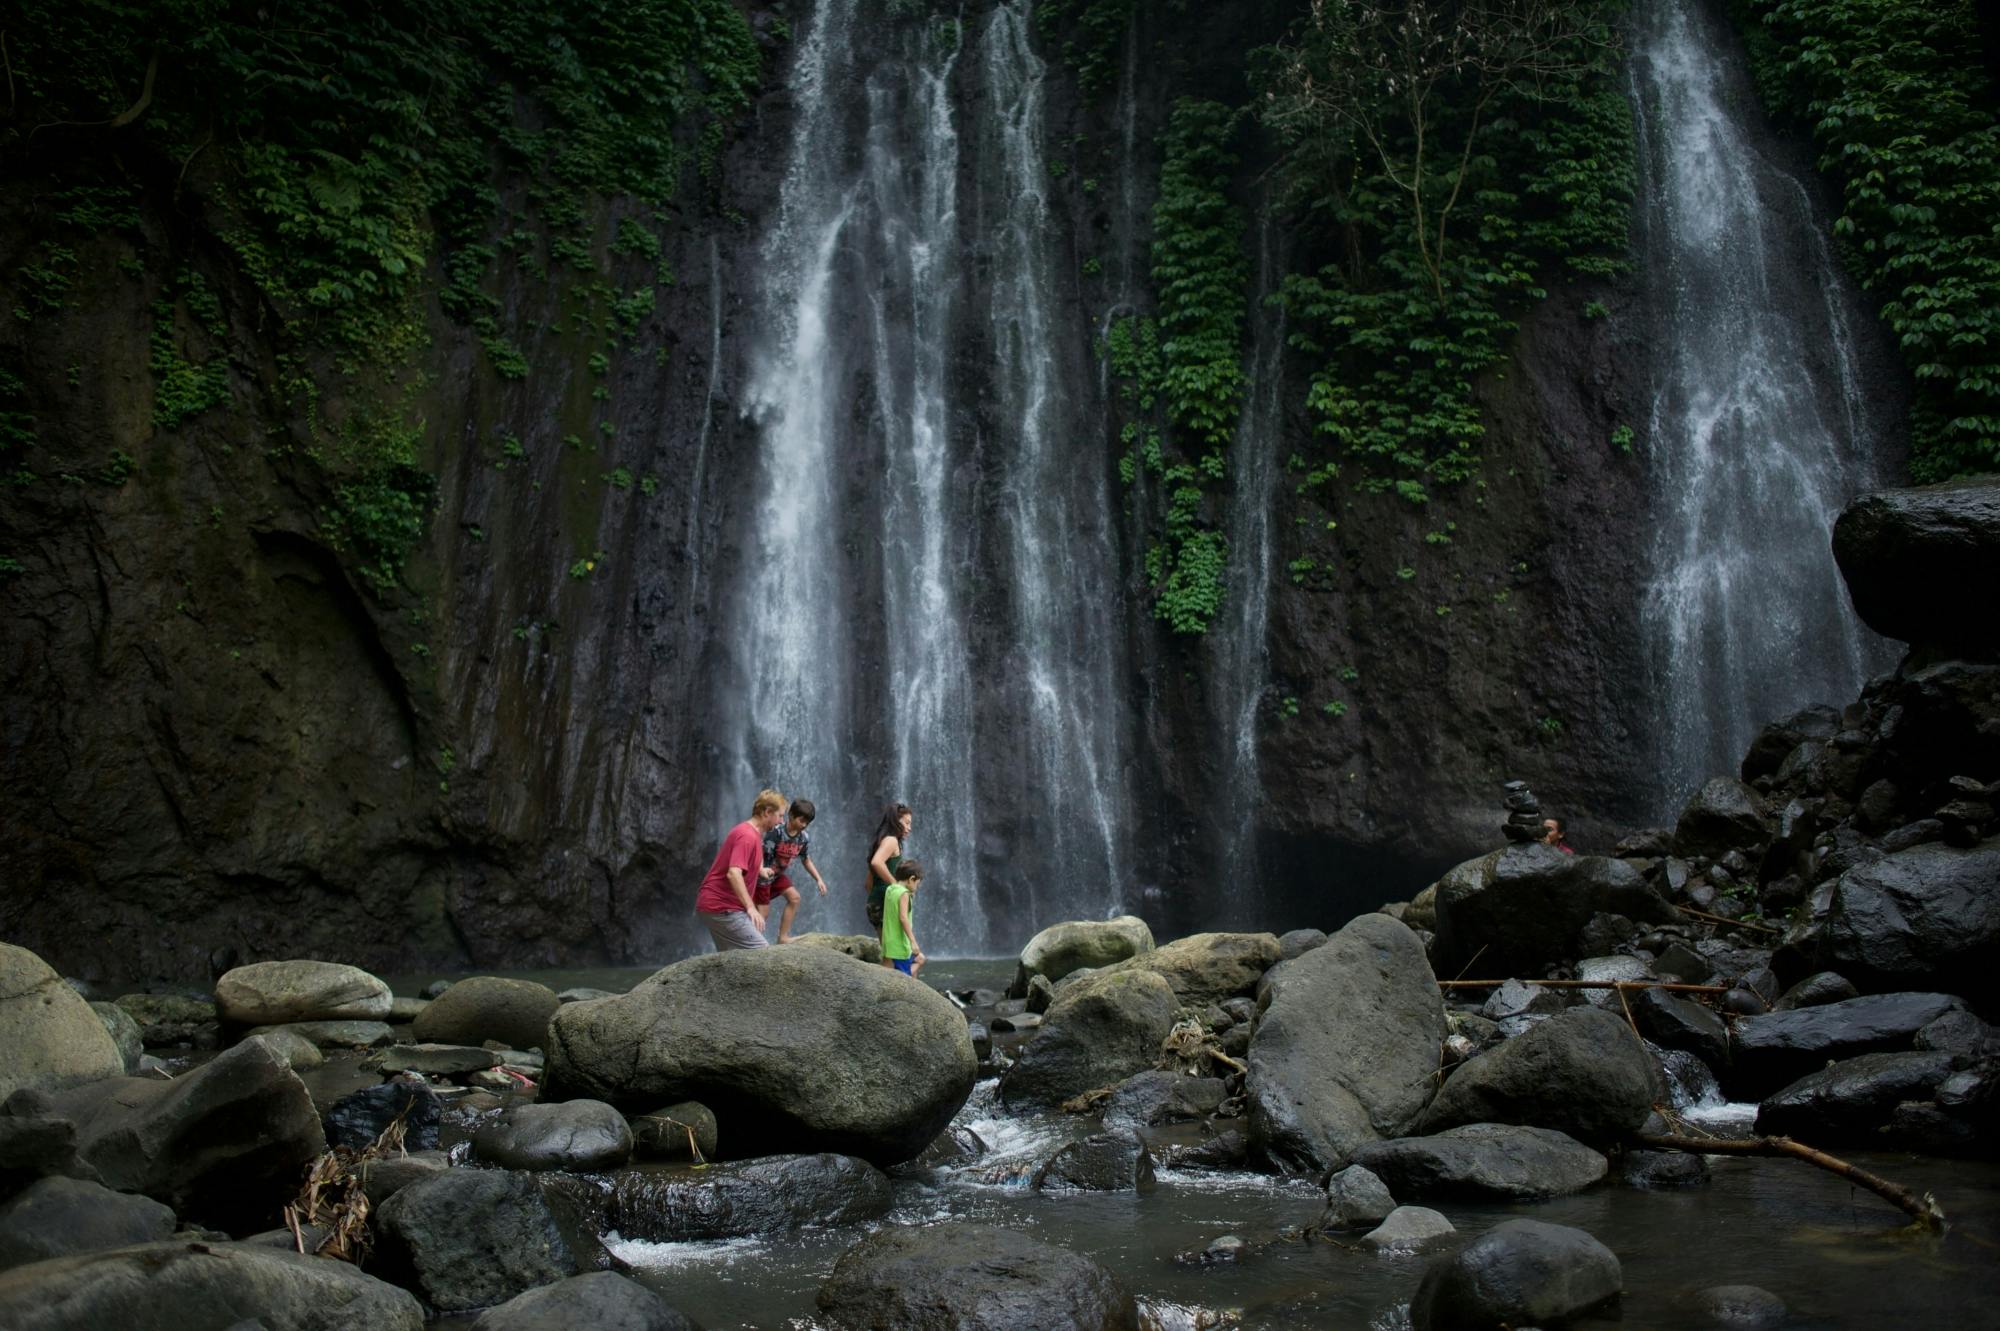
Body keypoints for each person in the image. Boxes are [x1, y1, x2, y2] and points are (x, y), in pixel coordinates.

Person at [696, 789, 788, 951]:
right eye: (780, 816)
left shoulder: (752, 833)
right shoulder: (747, 836)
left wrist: (760, 870)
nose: (782, 821)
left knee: (732, 960)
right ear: (767, 812)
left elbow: (748, 857)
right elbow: (733, 873)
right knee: (763, 955)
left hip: (715, 905)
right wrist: (750, 907)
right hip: (723, 907)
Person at [759, 798, 829, 944]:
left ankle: (783, 937)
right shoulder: (776, 832)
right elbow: (760, 854)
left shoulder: (803, 838)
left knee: (794, 898)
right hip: (762, 878)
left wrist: (819, 879)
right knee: (762, 914)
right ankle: (751, 943)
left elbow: (806, 859)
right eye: (801, 820)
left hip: (777, 876)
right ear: (790, 815)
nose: (804, 825)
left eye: (807, 823)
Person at [864, 802, 913, 944]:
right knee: (893, 952)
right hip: (883, 904)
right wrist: (896, 886)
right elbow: (876, 862)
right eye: (907, 823)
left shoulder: (882, 842)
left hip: (875, 903)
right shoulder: (891, 841)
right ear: (896, 821)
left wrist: (875, 899)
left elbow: (868, 884)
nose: (909, 828)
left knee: (888, 952)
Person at [880, 858, 925, 976]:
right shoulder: (904, 894)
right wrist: (913, 942)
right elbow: (903, 918)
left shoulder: (891, 889)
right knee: (903, 977)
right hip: (900, 945)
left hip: (889, 942)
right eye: (917, 883)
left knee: (920, 959)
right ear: (911, 879)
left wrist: (910, 893)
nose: (917, 887)